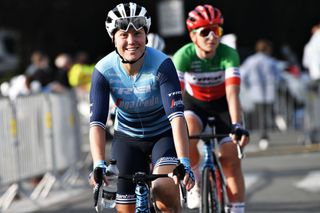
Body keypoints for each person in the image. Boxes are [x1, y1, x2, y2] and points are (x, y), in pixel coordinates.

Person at [89, 2, 195, 213]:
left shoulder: (162, 64)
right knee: (125, 209)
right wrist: (98, 163)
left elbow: (176, 117)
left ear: (146, 35)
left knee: (163, 189)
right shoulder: (103, 70)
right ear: (113, 38)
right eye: (123, 35)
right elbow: (97, 123)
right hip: (127, 138)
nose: (131, 41)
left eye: (137, 33)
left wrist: (184, 161)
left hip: (163, 136)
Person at [173, 4, 250, 212]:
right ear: (193, 36)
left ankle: (236, 208)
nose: (211, 37)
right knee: (186, 132)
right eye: (204, 32)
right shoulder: (183, 56)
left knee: (230, 160)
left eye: (216, 30)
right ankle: (195, 177)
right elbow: (175, 96)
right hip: (194, 105)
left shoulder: (228, 54)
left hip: (223, 105)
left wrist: (236, 125)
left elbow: (233, 94)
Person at [241, 39, 281, 149]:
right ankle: (274, 121)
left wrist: (247, 86)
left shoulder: (251, 60)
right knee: (267, 114)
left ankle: (263, 137)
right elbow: (278, 76)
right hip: (270, 91)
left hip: (256, 92)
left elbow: (242, 74)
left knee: (260, 117)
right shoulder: (271, 61)